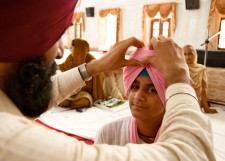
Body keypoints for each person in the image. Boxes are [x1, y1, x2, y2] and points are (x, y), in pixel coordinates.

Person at [0, 1, 216, 160]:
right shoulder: (10, 140)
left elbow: (30, 98)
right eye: (57, 37)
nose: (61, 51)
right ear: (22, 36)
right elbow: (192, 153)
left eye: (152, 89)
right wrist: (178, 76)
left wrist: (94, 68)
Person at [95, 48, 166, 145]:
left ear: (169, 95)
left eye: (151, 90)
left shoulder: (180, 142)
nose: (138, 96)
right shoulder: (109, 135)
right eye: (135, 87)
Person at [58, 38, 105, 109]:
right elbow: (64, 67)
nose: (70, 50)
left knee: (85, 101)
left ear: (78, 48)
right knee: (62, 101)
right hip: (71, 91)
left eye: (71, 48)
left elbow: (98, 77)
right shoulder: (70, 58)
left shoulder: (91, 59)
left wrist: (96, 95)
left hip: (84, 92)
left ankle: (70, 104)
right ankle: (70, 104)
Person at [183, 45, 217, 113]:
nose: (187, 57)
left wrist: (206, 108)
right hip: (182, 100)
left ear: (195, 54)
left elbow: (203, 91)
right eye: (184, 54)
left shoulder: (201, 69)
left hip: (195, 101)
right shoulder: (180, 68)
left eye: (190, 54)